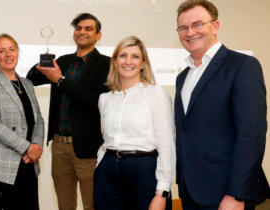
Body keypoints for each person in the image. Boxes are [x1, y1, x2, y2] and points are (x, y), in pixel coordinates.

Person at [174, 0, 270, 209]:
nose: (190, 32)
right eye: (183, 27)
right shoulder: (182, 77)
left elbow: (251, 135)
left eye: (198, 24)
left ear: (215, 26)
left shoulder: (243, 66)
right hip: (189, 190)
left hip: (226, 193)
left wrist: (236, 194)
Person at [27, 13, 110, 210]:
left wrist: (61, 81)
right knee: (64, 205)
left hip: (88, 148)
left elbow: (97, 102)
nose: (82, 32)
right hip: (59, 146)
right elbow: (31, 79)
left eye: (88, 28)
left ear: (98, 35)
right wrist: (44, 62)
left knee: (92, 204)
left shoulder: (106, 64)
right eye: (78, 28)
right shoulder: (63, 62)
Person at [93, 36, 175, 210]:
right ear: (114, 61)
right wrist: (100, 167)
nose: (128, 61)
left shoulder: (155, 94)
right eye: (123, 55)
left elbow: (167, 146)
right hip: (108, 174)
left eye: (135, 56)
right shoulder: (105, 99)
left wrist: (162, 192)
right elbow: (105, 140)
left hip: (144, 172)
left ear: (143, 63)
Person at [0, 33, 44, 210]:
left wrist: (36, 146)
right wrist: (27, 147)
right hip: (4, 166)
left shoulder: (27, 84)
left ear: (18, 52)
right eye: (1, 51)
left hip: (29, 163)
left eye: (12, 49)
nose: (8, 54)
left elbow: (39, 120)